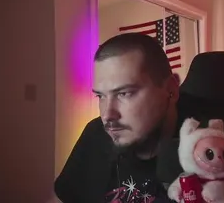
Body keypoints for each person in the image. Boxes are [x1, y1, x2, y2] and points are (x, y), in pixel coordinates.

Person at [54, 33, 186, 203]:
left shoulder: (207, 151)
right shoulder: (96, 134)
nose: (107, 115)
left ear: (171, 90)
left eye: (124, 93)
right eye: (100, 96)